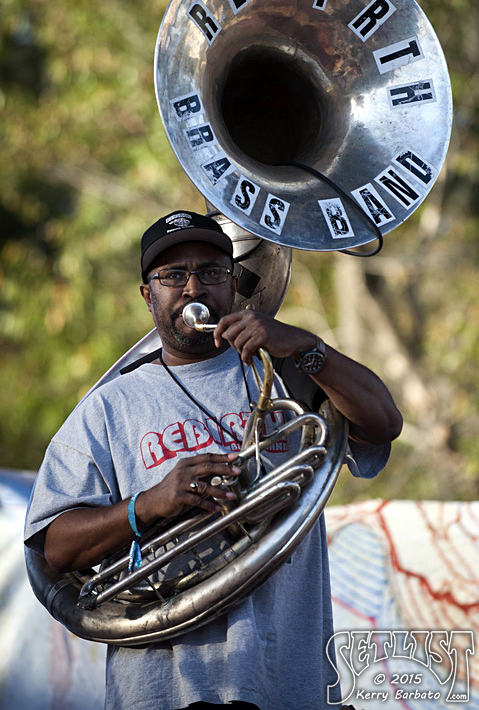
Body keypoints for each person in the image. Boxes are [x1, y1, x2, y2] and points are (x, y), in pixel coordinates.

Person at [24, 210, 402, 710]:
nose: (193, 287)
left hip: (290, 681)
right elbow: (55, 548)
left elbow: (383, 423)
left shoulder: (283, 371)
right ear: (148, 295)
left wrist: (309, 348)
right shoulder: (108, 407)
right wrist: (152, 503)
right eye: (174, 276)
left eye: (211, 273)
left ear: (232, 286)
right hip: (165, 690)